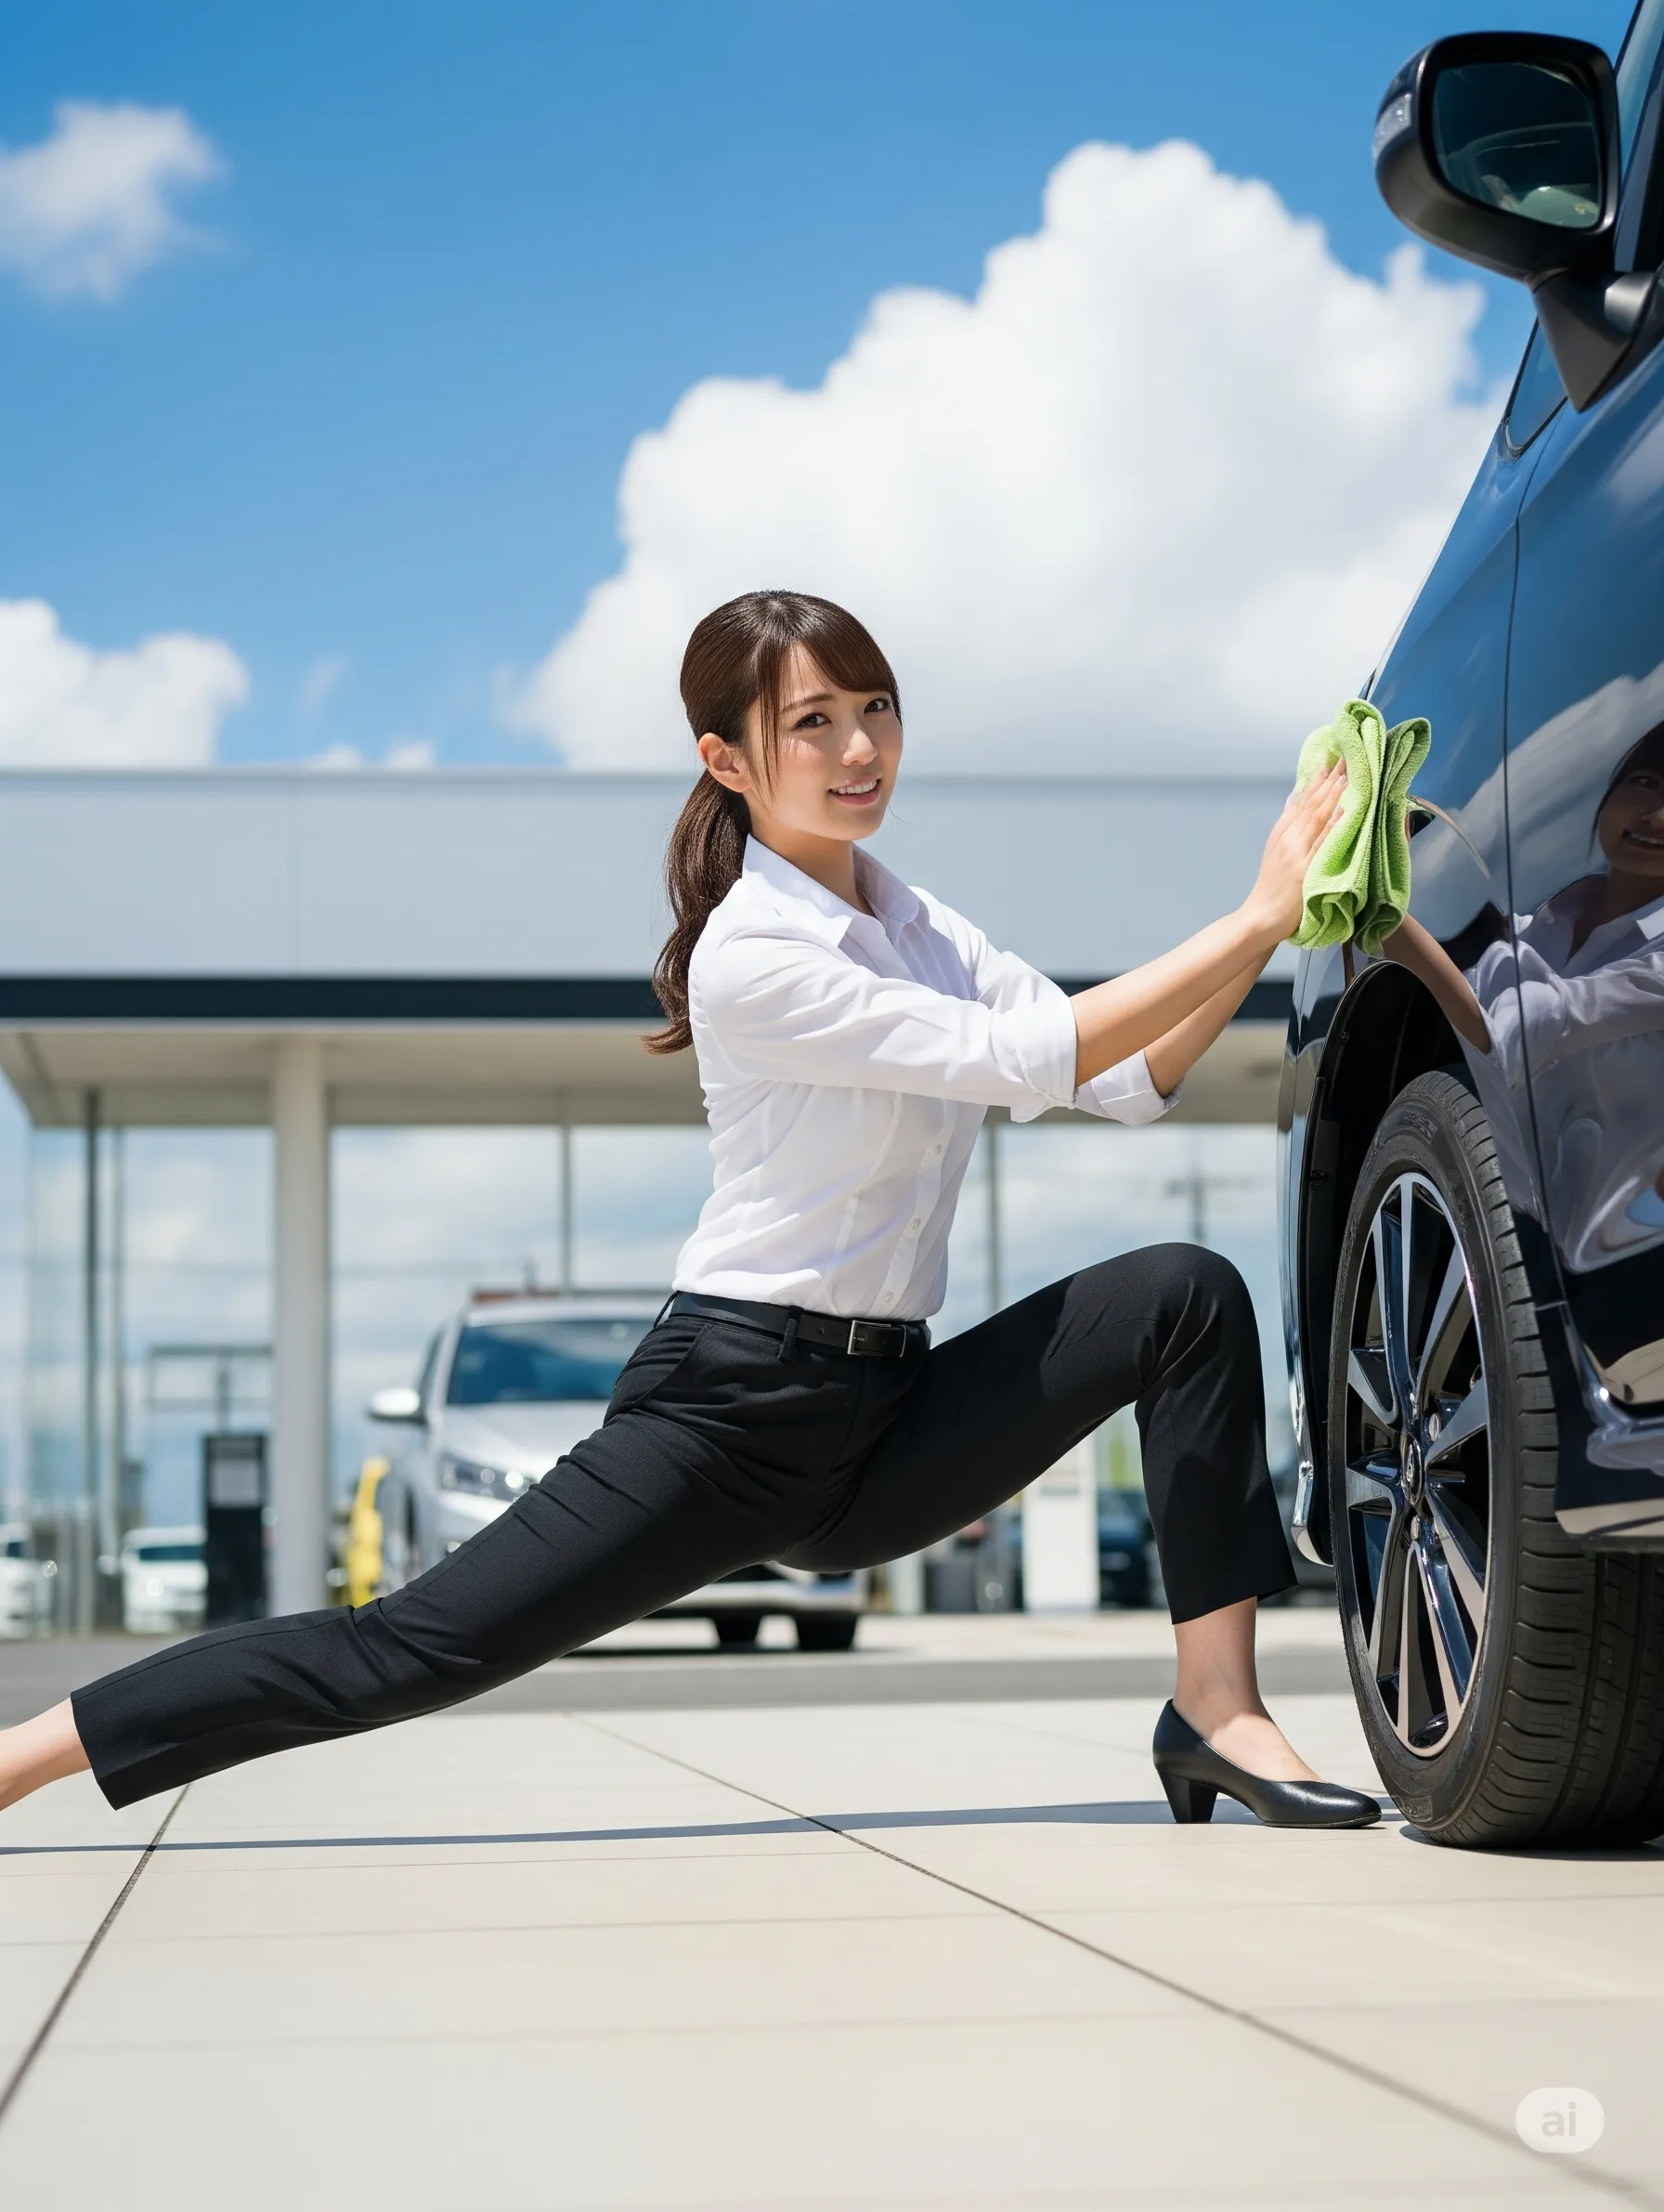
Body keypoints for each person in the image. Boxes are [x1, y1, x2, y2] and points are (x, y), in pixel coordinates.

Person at [0, 591, 1374, 1829]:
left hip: (885, 1420)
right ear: (727, 757)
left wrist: (1299, 907)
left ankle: (1213, 1709)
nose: (859, 751)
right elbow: (1027, 1059)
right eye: (815, 722)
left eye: (876, 710)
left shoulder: (914, 919)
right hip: (725, 1414)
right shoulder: (755, 954)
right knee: (405, 1652)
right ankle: (18, 1762)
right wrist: (1250, 917)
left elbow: (1128, 1074)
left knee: (1184, 1295)